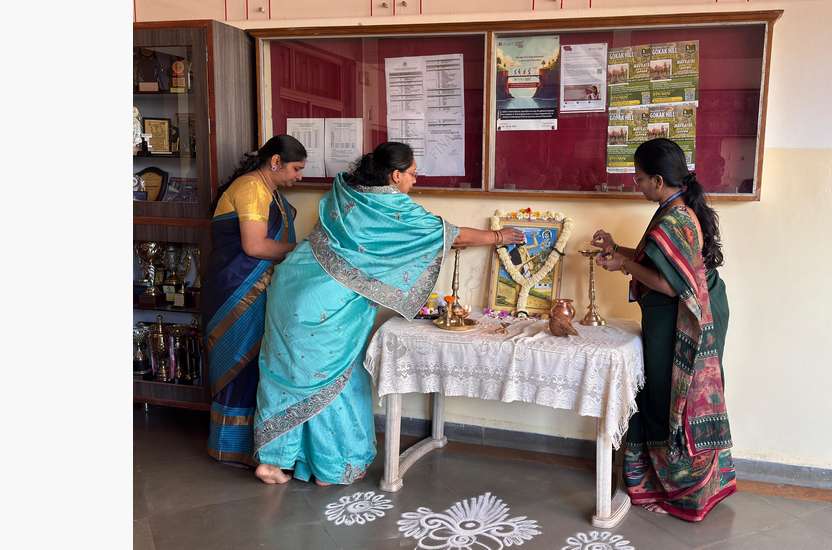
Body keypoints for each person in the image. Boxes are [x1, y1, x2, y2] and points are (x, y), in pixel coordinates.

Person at [252, 142, 525, 485]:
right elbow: (448, 236)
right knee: (336, 380)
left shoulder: (346, 191)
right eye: (412, 174)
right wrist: (499, 235)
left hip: (290, 284)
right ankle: (329, 468)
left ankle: (273, 461)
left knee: (287, 375)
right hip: (326, 304)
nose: (415, 180)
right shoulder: (392, 207)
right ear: (395, 175)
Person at [591, 138, 734, 522]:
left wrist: (622, 264)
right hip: (691, 311)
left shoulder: (673, 219)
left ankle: (683, 491)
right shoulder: (676, 208)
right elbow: (659, 261)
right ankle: (677, 484)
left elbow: (670, 285)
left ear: (658, 180)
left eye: (639, 178)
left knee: (673, 398)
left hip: (681, 319)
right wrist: (618, 250)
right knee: (668, 395)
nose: (635, 184)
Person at [203, 134, 306, 466]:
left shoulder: (268, 191)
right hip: (237, 290)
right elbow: (255, 246)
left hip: (258, 286)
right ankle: (230, 445)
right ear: (275, 162)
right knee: (240, 363)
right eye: (296, 169)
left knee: (257, 362)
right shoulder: (251, 188)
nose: (299, 176)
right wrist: (302, 252)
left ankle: (254, 444)